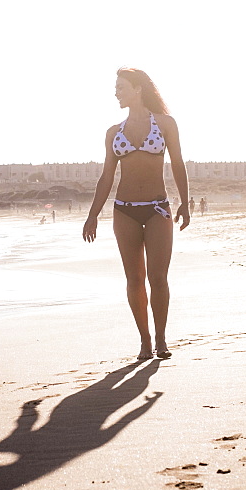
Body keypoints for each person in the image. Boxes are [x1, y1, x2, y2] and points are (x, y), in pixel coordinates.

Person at [83, 68, 190, 361]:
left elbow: (178, 164)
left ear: (138, 88)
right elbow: (106, 177)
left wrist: (185, 202)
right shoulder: (113, 132)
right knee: (134, 280)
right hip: (124, 211)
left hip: (158, 209)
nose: (116, 92)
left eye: (121, 87)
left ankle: (161, 338)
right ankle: (144, 342)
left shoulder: (166, 124)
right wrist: (93, 215)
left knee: (158, 277)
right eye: (116, 88)